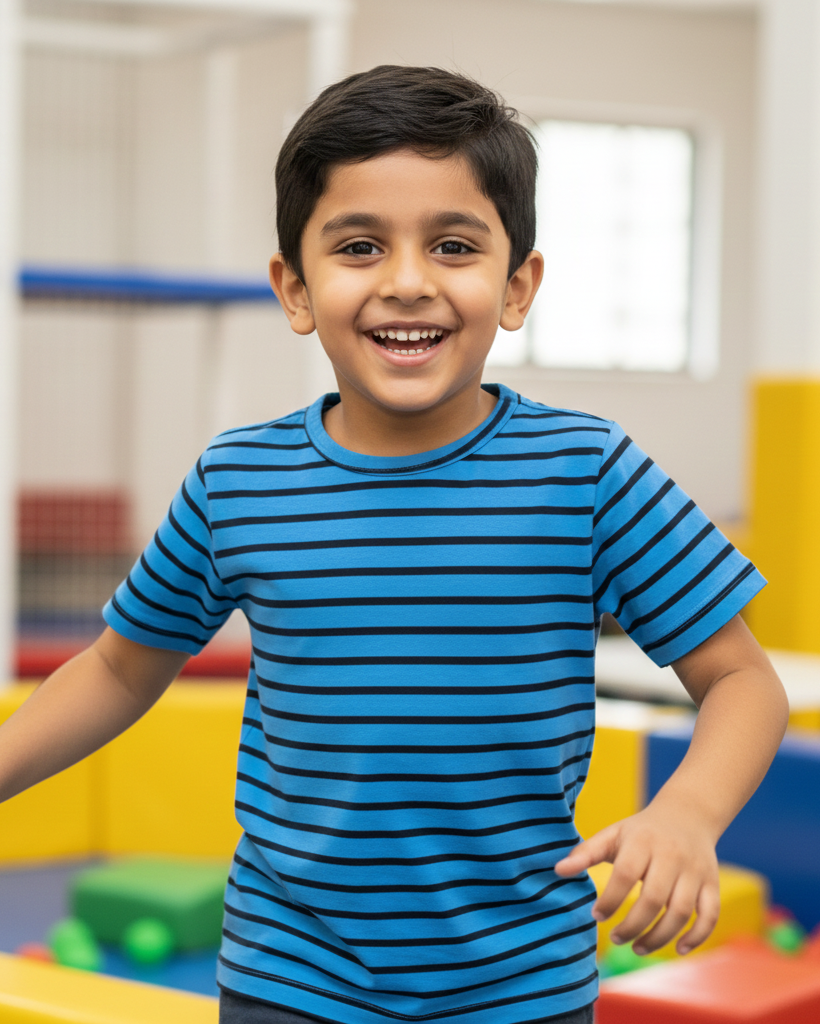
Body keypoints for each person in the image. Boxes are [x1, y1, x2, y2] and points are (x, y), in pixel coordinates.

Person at [0, 65, 788, 1024]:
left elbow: (744, 680)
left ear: (517, 284)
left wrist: (687, 812)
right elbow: (122, 671)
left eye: (453, 246)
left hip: (520, 986)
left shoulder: (588, 472)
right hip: (289, 980)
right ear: (296, 289)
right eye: (360, 247)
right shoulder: (238, 480)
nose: (407, 283)